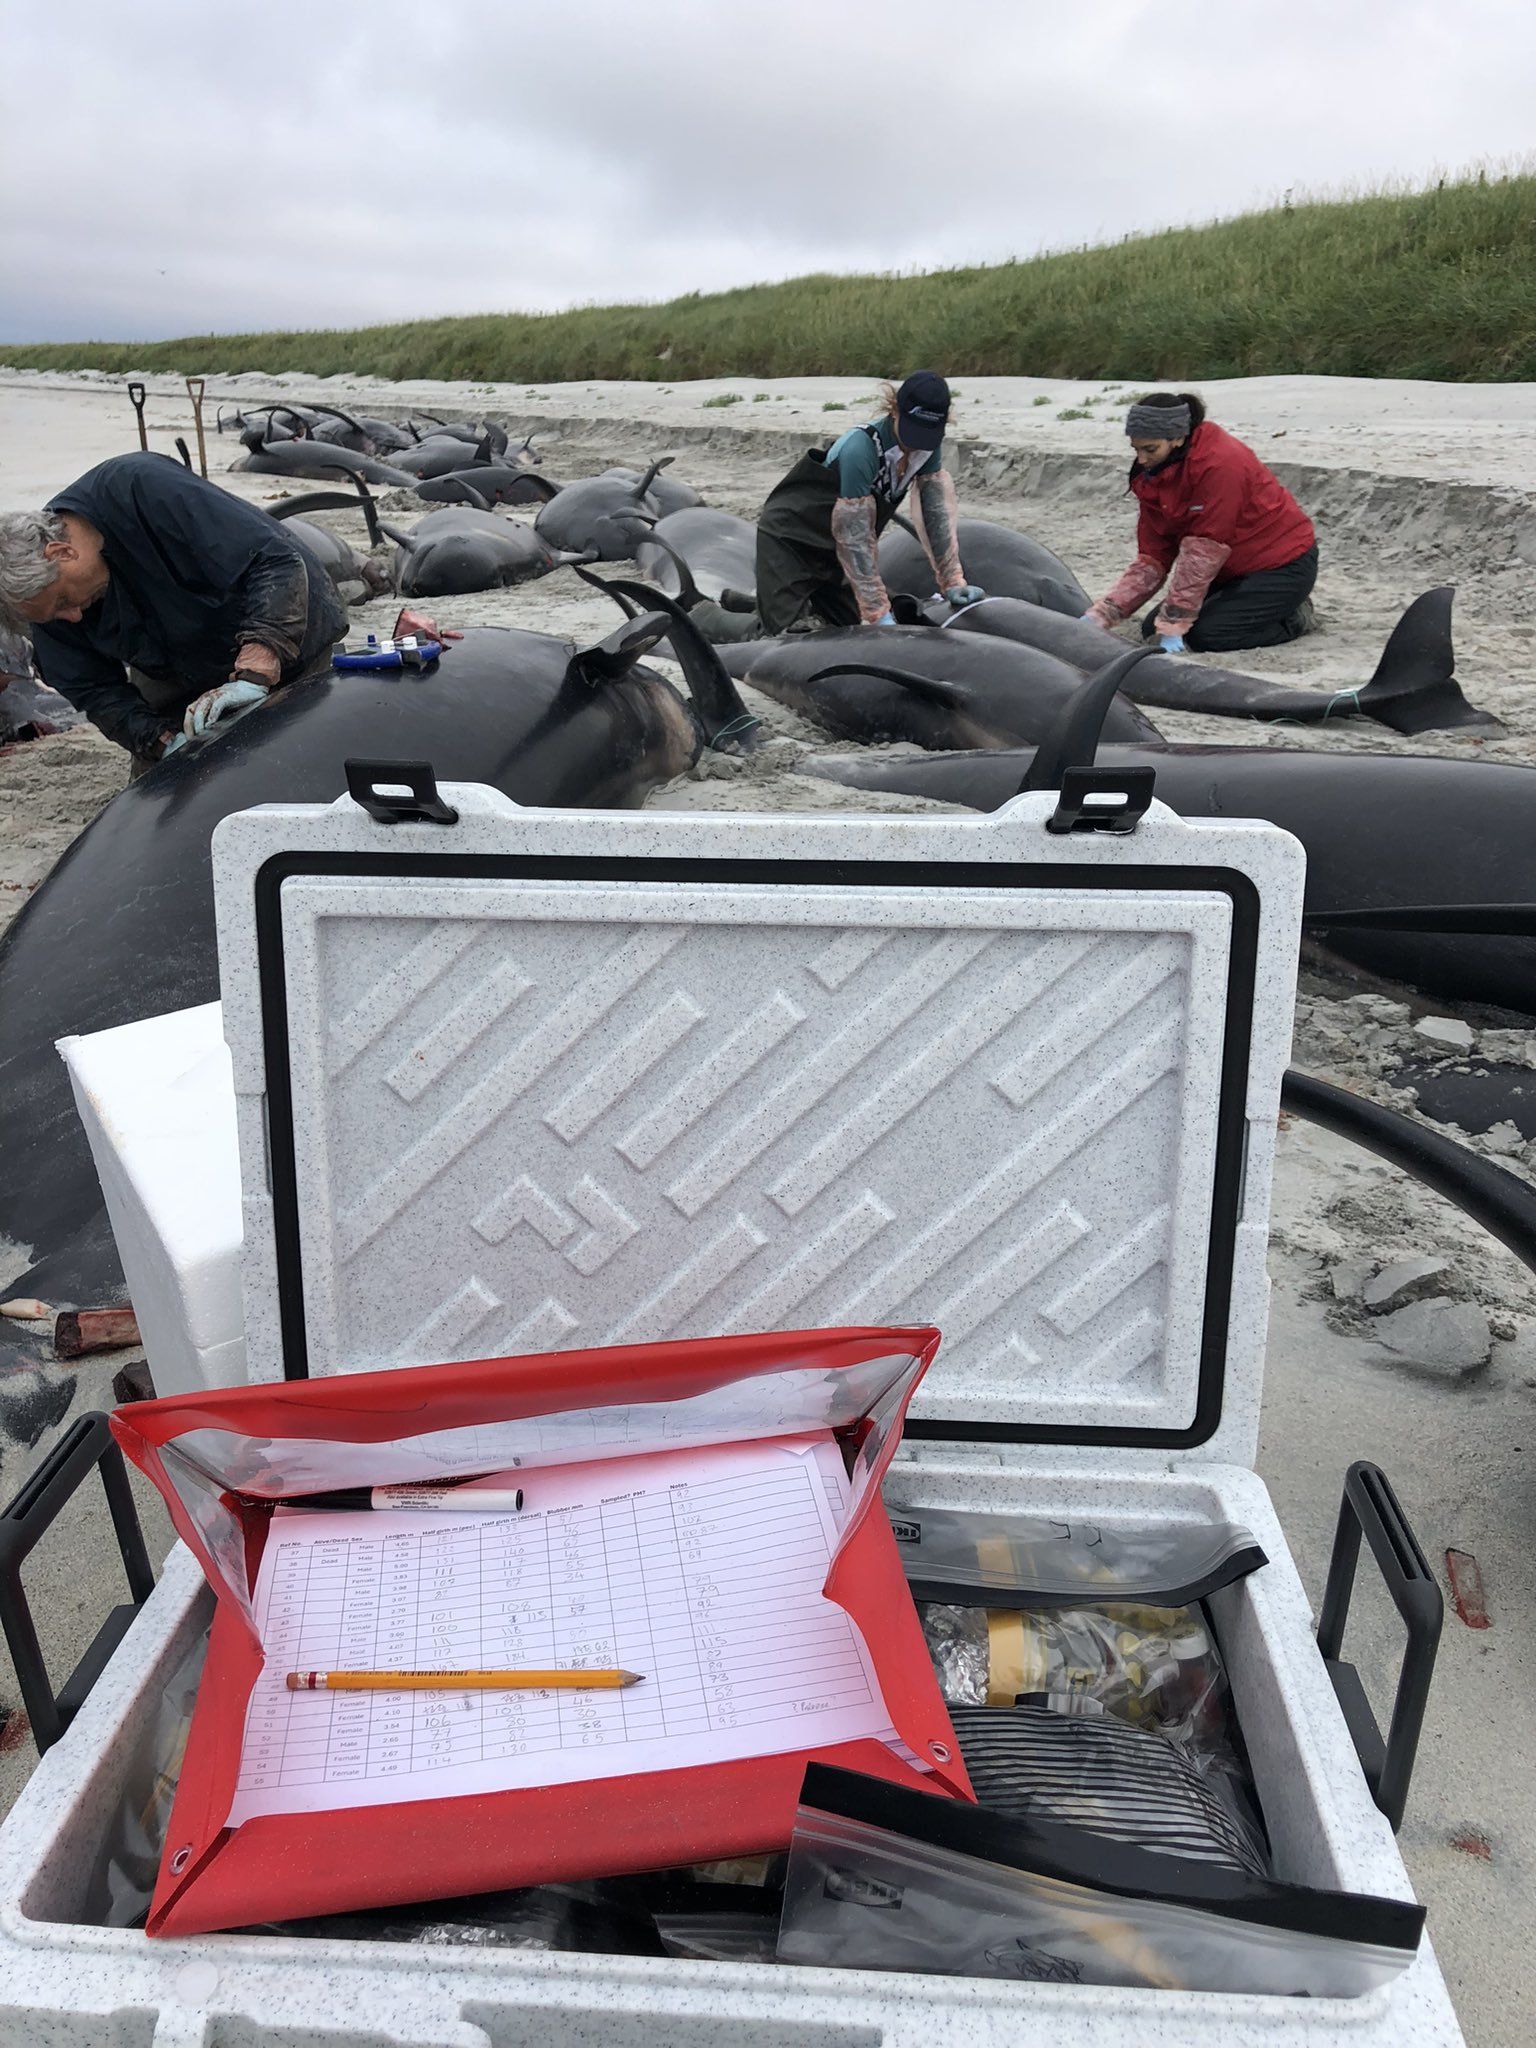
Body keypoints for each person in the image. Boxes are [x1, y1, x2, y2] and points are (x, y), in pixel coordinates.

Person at [0, 451, 347, 771]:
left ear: (61, 552)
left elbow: (274, 562)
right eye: (55, 615)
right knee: (169, 790)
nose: (72, 618)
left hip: (284, 625)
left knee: (302, 761)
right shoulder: (39, 598)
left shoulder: (143, 487)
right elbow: (94, 690)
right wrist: (161, 741)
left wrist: (257, 668)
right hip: (175, 666)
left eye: (64, 601)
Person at [695, 370, 984, 641]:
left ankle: (756, 603)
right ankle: (704, 616)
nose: (917, 445)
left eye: (928, 434)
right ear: (894, 410)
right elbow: (855, 538)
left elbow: (935, 516)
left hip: (833, 554)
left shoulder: (926, 450)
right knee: (786, 638)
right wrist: (878, 615)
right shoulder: (862, 448)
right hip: (791, 541)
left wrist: (952, 582)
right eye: (913, 432)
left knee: (843, 630)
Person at [1083, 393, 1318, 654]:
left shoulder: (1220, 464)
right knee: (1151, 628)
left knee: (1208, 636)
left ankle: (1296, 617)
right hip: (1228, 571)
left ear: (1178, 438)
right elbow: (1153, 558)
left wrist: (1174, 625)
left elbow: (1203, 554)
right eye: (1136, 449)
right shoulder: (1154, 473)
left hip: (1281, 565)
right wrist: (1105, 613)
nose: (1141, 459)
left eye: (1150, 449)